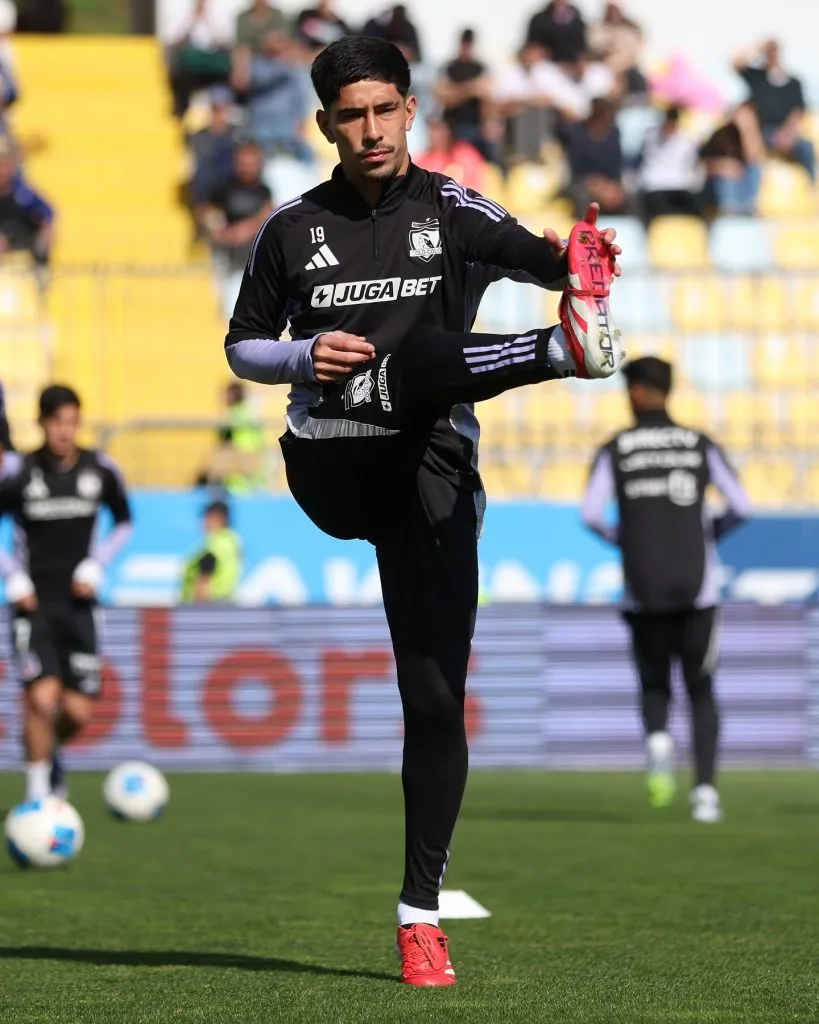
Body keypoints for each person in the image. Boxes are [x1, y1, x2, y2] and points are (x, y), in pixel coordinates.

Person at [224, 36, 622, 986]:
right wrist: (300, 353)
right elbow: (243, 346)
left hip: (433, 468)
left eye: (382, 110)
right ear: (324, 124)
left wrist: (581, 257)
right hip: (331, 457)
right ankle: (562, 358)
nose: (367, 129)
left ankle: (418, 917)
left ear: (411, 111)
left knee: (436, 698)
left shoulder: (451, 208)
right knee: (430, 359)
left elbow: (538, 255)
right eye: (348, 116)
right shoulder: (290, 228)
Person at [581, 357, 751, 824]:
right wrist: (708, 531)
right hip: (699, 590)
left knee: (655, 683)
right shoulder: (698, 443)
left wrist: (626, 537)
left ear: (636, 392)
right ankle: (706, 796)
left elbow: (591, 513)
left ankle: (658, 741)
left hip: (642, 587)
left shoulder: (617, 447)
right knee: (701, 689)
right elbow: (743, 505)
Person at [0, 385, 133, 802]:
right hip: (34, 604)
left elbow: (125, 521)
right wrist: (12, 576)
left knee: (76, 712)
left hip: (81, 606)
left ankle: (50, 753)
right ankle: (39, 799)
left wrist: (98, 565)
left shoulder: (101, 469)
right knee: (41, 700)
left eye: (72, 422)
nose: (64, 431)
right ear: (41, 424)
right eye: (57, 422)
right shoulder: (20, 472)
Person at [198, 141, 274, 318]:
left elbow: (268, 216)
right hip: (226, 256)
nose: (247, 169)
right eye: (243, 163)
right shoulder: (224, 187)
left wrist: (244, 230)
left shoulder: (264, 191)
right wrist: (218, 228)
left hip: (251, 257)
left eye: (251, 164)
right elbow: (206, 210)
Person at [734, 40, 815, 182]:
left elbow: (798, 111)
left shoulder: (793, 82)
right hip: (762, 132)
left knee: (807, 147)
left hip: (787, 132)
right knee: (750, 148)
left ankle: (813, 187)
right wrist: (758, 47)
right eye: (768, 52)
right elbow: (736, 61)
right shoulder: (757, 78)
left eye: (774, 51)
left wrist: (787, 133)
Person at [435, 29, 498, 166]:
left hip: (476, 125)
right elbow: (446, 98)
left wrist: (459, 91)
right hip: (453, 124)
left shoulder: (481, 67)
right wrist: (471, 88)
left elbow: (487, 97)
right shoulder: (448, 68)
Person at [196, 381, 266, 492]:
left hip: (240, 457)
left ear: (233, 395)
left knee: (212, 468)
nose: (225, 397)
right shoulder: (250, 412)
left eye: (227, 394)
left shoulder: (234, 414)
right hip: (249, 459)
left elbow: (223, 438)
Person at [0, 140, 54, 281]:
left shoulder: (20, 190)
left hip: (21, 235)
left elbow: (47, 210)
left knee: (44, 237)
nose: (2, 170)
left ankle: (42, 279)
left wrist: (46, 228)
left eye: (5, 165)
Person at [637, 107, 702, 223]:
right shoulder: (650, 136)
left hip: (681, 185)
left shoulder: (687, 139)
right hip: (655, 185)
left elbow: (691, 165)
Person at [699, 102, 765, 217]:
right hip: (718, 184)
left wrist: (746, 129)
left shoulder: (751, 135)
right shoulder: (719, 133)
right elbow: (701, 164)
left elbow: (754, 159)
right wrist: (723, 166)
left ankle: (745, 210)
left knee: (753, 171)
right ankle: (730, 213)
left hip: (741, 188)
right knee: (726, 178)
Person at [565, 97, 626, 215]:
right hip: (584, 182)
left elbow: (616, 164)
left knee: (627, 196)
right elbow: (576, 167)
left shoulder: (614, 133)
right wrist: (596, 185)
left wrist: (611, 186)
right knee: (583, 196)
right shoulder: (577, 132)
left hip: (609, 182)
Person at [187, 85, 241, 210]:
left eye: (223, 109)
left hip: (233, 195)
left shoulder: (238, 135)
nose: (219, 114)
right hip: (209, 197)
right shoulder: (198, 137)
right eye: (215, 109)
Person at [181, 500, 243, 602]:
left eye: (207, 517)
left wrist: (197, 609)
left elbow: (204, 579)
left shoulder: (214, 544)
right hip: (224, 604)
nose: (204, 522)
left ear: (220, 518)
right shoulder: (232, 541)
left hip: (206, 606)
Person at [414, 116, 487, 192]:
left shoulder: (465, 153)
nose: (433, 133)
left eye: (437, 128)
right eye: (431, 128)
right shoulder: (422, 160)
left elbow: (480, 181)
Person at [525, 0, 586, 65]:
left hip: (572, 65)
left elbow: (583, 49)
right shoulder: (539, 20)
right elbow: (532, 47)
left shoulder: (578, 22)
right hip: (547, 64)